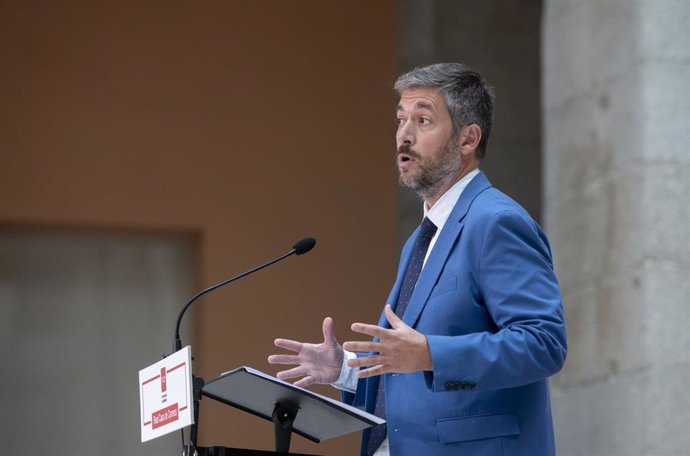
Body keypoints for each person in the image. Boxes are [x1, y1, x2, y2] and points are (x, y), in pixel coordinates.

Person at [268, 63, 567, 456]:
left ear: (467, 139)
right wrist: (346, 369)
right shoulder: (420, 240)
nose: (404, 136)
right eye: (400, 120)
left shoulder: (496, 222)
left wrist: (431, 353)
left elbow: (544, 343)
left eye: (423, 120)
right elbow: (411, 368)